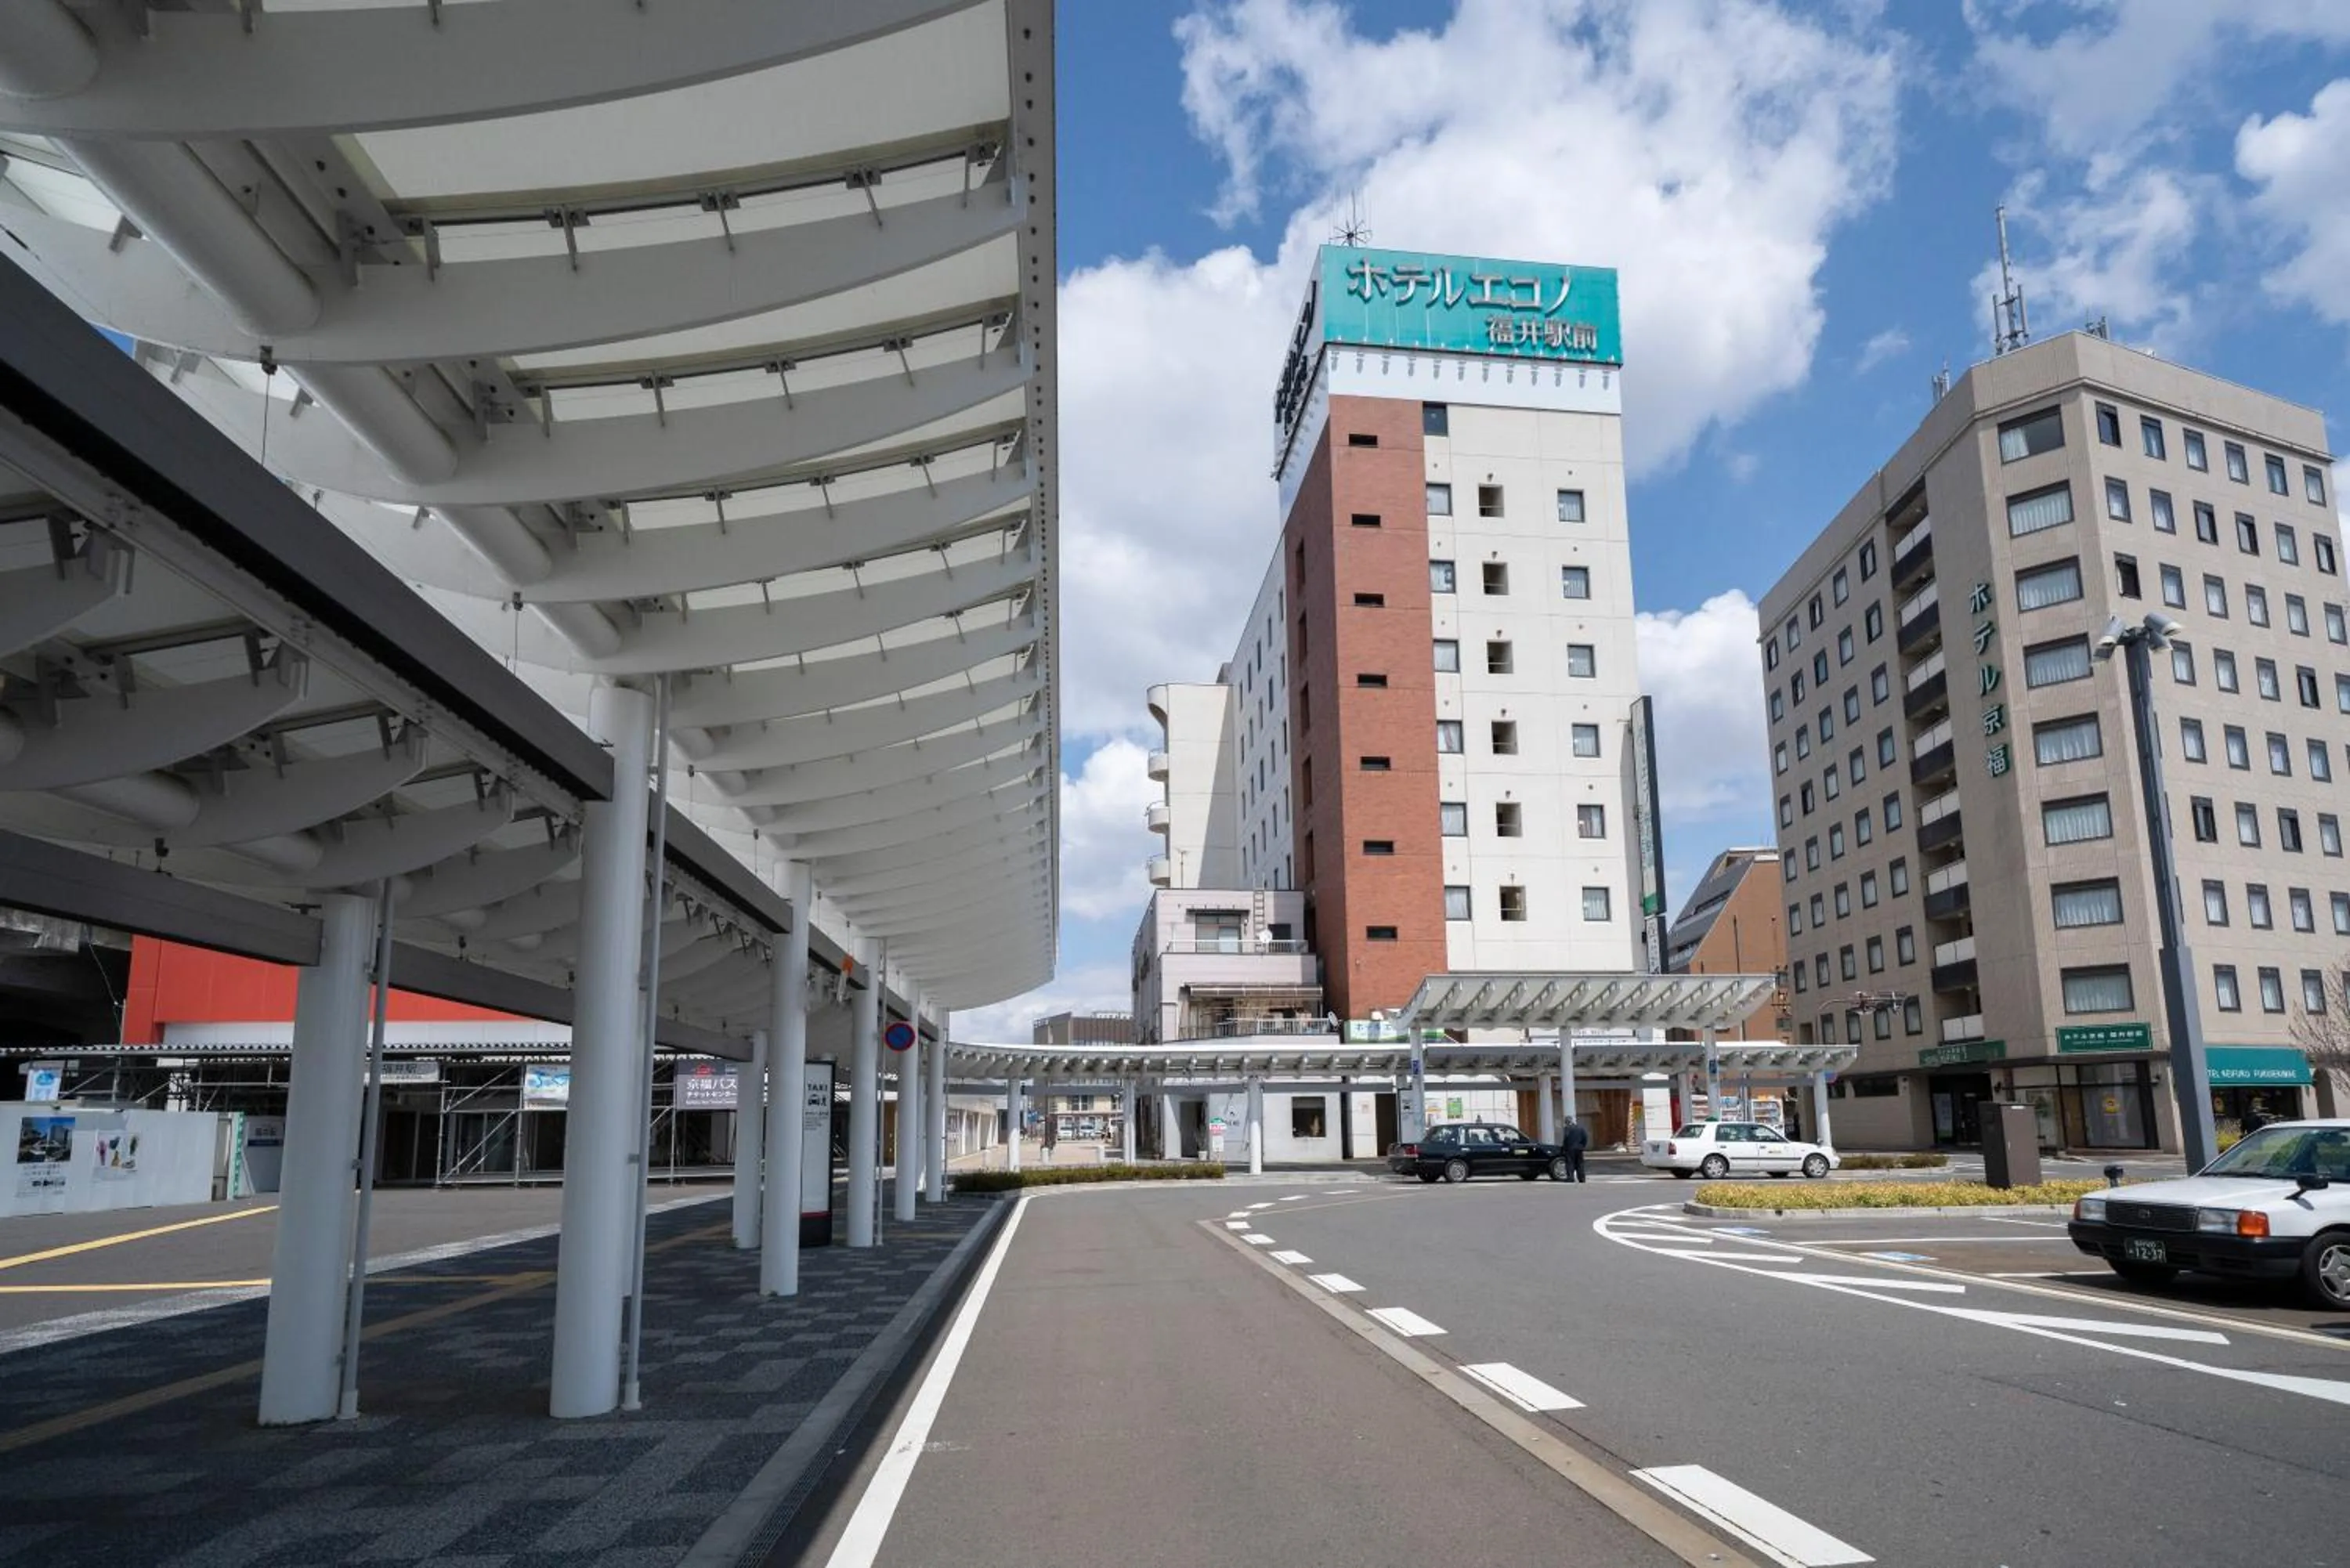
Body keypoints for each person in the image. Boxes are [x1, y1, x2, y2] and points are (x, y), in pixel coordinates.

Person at [1561, 1115, 1589, 1183]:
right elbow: (1585, 1138)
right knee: (1580, 1163)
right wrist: (1583, 1146)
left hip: (1570, 1149)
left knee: (1570, 1163)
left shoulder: (1567, 1129)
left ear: (1567, 1122)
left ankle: (1570, 1178)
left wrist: (1564, 1148)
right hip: (1579, 1148)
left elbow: (1566, 1139)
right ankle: (1582, 1178)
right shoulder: (1580, 1128)